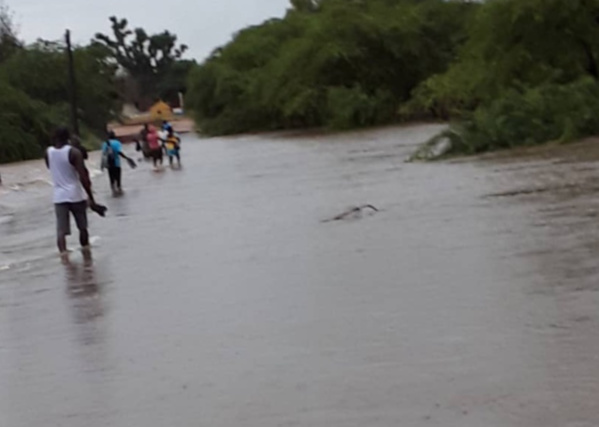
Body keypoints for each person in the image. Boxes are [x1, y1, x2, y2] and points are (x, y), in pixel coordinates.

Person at [45, 127, 105, 257]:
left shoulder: (48, 152)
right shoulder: (74, 153)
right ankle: (86, 254)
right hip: (75, 195)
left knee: (61, 231)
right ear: (68, 138)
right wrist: (91, 198)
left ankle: (64, 257)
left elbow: (50, 168)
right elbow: (83, 177)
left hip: (59, 197)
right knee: (82, 227)